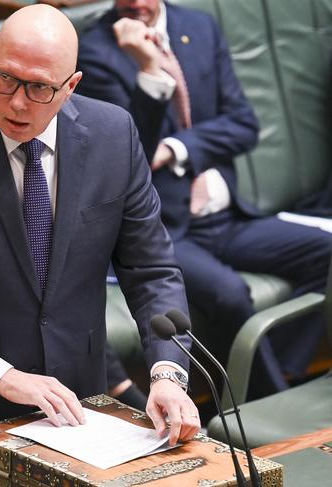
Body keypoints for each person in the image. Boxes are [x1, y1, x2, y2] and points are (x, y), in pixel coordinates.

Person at [0, 5, 200, 485]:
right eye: (5, 79)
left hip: (74, 412)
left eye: (40, 87)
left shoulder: (113, 135)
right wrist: (2, 376)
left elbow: (151, 270)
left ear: (72, 85)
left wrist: (168, 374)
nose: (18, 103)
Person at [76, 0, 332, 393]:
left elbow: (244, 124)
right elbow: (129, 156)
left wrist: (179, 147)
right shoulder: (95, 49)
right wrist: (148, 70)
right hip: (164, 228)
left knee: (326, 254)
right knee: (229, 294)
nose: (135, 4)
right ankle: (271, 393)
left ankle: (269, 379)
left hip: (227, 218)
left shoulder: (198, 26)